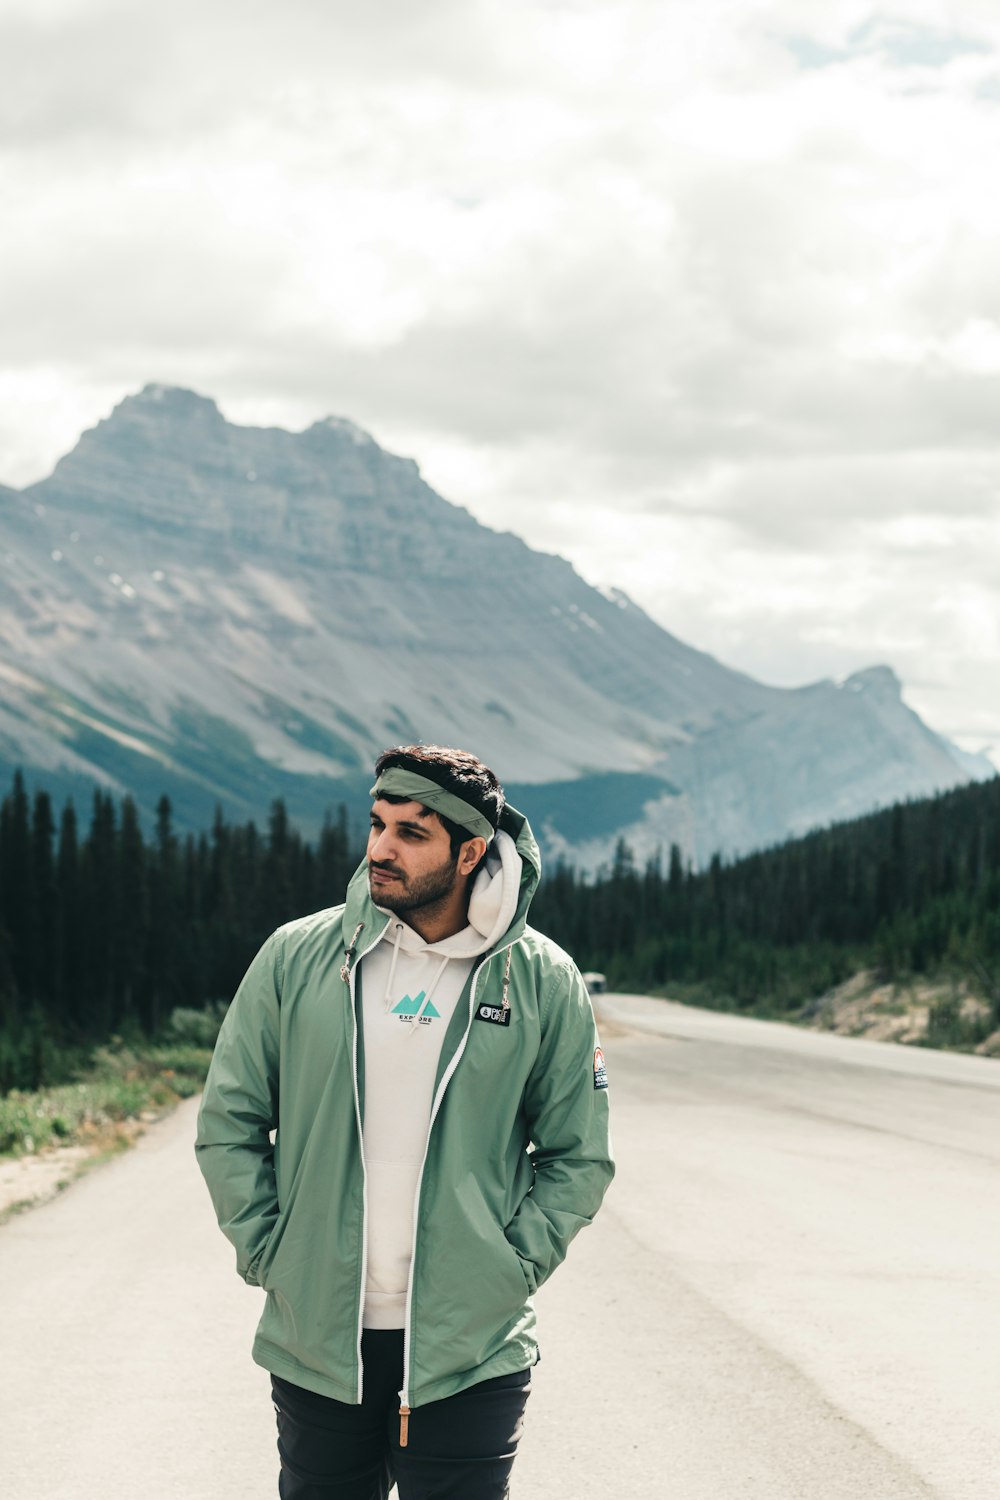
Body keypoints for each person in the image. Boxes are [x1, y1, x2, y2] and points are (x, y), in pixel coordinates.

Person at [195, 743, 614, 1500]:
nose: (380, 849)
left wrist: (511, 1268)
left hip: (469, 1347)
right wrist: (269, 1253)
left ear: (470, 853)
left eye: (411, 833)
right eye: (377, 823)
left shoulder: (542, 980)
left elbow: (577, 1153)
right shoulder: (298, 957)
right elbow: (230, 1118)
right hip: (320, 1339)